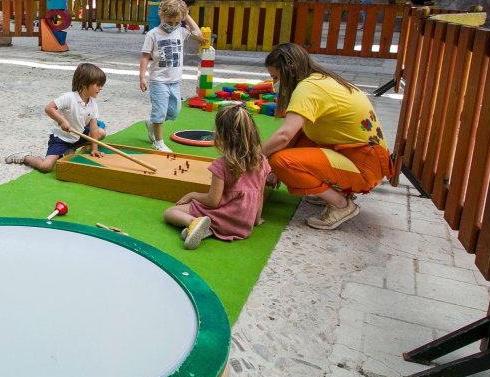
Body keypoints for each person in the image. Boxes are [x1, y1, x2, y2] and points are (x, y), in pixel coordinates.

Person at [261, 43, 394, 230]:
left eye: (275, 77)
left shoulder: (307, 88)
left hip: (363, 166)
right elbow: (295, 134)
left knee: (281, 161)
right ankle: (331, 190)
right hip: (360, 155)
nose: (275, 84)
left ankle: (341, 205)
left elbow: (284, 135)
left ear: (289, 69)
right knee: (297, 140)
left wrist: (256, 156)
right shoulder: (319, 79)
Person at [164, 104, 271, 249]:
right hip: (243, 225)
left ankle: (194, 224)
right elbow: (260, 195)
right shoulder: (262, 162)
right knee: (188, 214)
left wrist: (192, 195)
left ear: (221, 136)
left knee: (170, 212)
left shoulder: (221, 165)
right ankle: (204, 230)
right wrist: (256, 220)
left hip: (221, 217)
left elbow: (213, 201)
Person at [5, 63, 107, 173]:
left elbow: (94, 128)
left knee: (100, 132)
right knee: (46, 167)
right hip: (60, 138)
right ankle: (25, 157)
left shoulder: (93, 104)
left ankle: (71, 149)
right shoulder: (69, 97)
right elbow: (49, 108)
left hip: (77, 135)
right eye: (98, 84)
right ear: (84, 83)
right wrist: (62, 121)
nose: (101, 88)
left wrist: (95, 149)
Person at [139, 0, 205, 152]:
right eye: (170, 22)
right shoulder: (153, 35)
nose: (173, 26)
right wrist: (142, 76)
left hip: (174, 81)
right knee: (160, 111)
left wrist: (186, 15)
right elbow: (145, 56)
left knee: (174, 111)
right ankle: (158, 142)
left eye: (177, 22)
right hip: (158, 81)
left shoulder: (181, 31)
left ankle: (152, 123)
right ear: (161, 15)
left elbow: (198, 34)